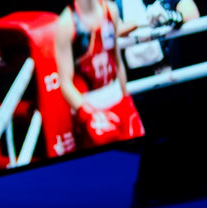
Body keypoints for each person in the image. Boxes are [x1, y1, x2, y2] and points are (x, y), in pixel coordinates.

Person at [54, 0, 143, 147]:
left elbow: (117, 60)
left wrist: (126, 99)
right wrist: (89, 115)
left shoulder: (110, 10)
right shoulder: (66, 24)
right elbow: (65, 83)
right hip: (89, 105)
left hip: (118, 99)